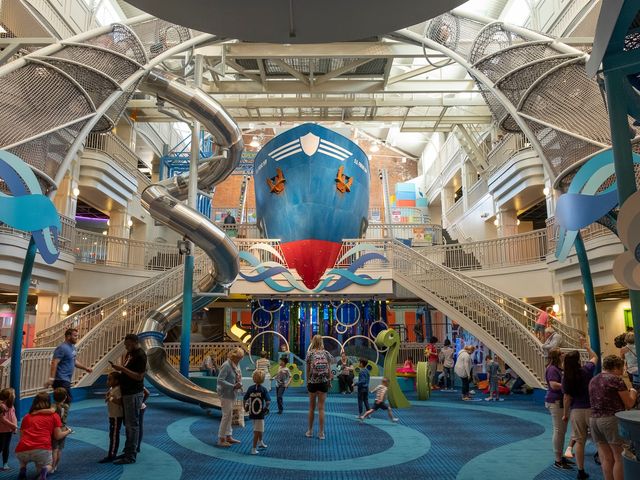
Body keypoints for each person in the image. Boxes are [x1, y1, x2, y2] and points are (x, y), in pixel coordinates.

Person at [589, 354, 638, 480]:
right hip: (611, 420)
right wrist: (633, 392)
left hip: (594, 420)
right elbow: (629, 403)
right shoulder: (616, 380)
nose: (623, 371)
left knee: (606, 458)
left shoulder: (594, 379)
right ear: (615, 367)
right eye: (621, 368)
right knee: (619, 457)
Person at [562, 339, 597, 480]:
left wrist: (565, 414)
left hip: (576, 411)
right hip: (591, 409)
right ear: (578, 361)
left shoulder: (566, 377)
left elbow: (567, 398)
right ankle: (606, 463)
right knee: (600, 441)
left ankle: (581, 471)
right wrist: (587, 347)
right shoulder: (586, 370)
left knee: (580, 442)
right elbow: (595, 357)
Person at [15, 392, 71, 480]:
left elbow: (21, 436)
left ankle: (23, 468)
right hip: (42, 449)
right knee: (49, 466)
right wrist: (68, 431)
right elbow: (58, 436)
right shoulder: (54, 416)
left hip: (22, 449)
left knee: (23, 459)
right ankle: (44, 470)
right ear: (49, 402)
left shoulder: (27, 416)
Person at [110, 334, 147, 465]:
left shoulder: (140, 356)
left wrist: (122, 369)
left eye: (128, 345)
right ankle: (128, 451)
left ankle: (130, 456)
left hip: (133, 394)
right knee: (129, 425)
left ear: (135, 342)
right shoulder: (130, 354)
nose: (126, 347)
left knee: (132, 425)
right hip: (127, 393)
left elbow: (139, 376)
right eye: (125, 345)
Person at [45, 328, 93, 402]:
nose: (77, 337)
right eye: (75, 336)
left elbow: (74, 361)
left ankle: (58, 409)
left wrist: (85, 368)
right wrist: (51, 379)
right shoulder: (62, 348)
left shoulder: (72, 347)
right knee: (65, 401)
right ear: (68, 336)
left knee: (64, 402)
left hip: (66, 379)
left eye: (77, 336)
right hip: (60, 380)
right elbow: (54, 363)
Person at [544, 348, 572, 470]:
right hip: (555, 401)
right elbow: (553, 385)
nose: (563, 354)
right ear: (557, 356)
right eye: (561, 353)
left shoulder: (557, 368)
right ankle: (558, 460)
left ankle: (560, 456)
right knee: (559, 431)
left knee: (562, 431)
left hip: (558, 401)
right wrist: (567, 385)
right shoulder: (552, 369)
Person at [306, 334, 333, 440]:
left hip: (313, 382)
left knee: (311, 408)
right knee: (321, 408)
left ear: (313, 342)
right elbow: (329, 369)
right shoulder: (326, 353)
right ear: (321, 342)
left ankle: (310, 431)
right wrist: (329, 381)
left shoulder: (310, 354)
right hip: (323, 382)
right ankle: (321, 433)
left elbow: (308, 370)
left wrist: (308, 381)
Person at [217, 347, 244, 447]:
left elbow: (238, 376)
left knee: (229, 415)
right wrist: (233, 386)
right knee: (226, 416)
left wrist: (239, 385)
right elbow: (220, 380)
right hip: (225, 394)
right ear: (233, 356)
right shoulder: (226, 365)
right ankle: (221, 439)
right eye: (238, 358)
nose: (239, 360)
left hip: (232, 393)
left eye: (240, 358)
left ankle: (228, 436)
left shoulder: (236, 364)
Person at [243, 370, 271, 455]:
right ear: (263, 379)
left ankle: (260, 442)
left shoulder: (250, 388)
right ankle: (253, 449)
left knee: (259, 428)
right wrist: (266, 408)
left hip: (252, 413)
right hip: (259, 414)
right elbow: (268, 401)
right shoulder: (263, 389)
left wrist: (245, 408)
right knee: (257, 431)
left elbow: (244, 399)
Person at [98, 372, 123, 463]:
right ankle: (112, 453)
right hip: (112, 415)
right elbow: (109, 394)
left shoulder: (118, 389)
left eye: (109, 379)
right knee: (112, 435)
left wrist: (110, 398)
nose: (107, 381)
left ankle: (112, 455)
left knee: (114, 436)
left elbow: (120, 402)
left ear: (116, 381)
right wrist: (108, 395)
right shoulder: (113, 388)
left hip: (116, 416)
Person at [50, 388, 70, 474]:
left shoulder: (53, 406)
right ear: (65, 397)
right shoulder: (66, 406)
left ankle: (51, 467)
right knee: (59, 449)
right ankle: (55, 466)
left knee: (54, 449)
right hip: (63, 428)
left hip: (55, 428)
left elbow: (51, 411)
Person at [0, 388, 17, 471]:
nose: (15, 395)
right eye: (14, 394)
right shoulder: (2, 406)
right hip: (2, 430)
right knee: (1, 447)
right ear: (9, 397)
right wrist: (13, 425)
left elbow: (14, 417)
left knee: (6, 447)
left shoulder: (12, 406)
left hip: (9, 430)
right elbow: (2, 419)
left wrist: (15, 426)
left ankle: (5, 464)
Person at [137, 387, 150, 453]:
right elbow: (147, 393)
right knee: (139, 426)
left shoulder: (137, 384)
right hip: (139, 407)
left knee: (138, 426)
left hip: (139, 407)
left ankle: (138, 446)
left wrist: (141, 402)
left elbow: (147, 393)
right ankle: (137, 446)